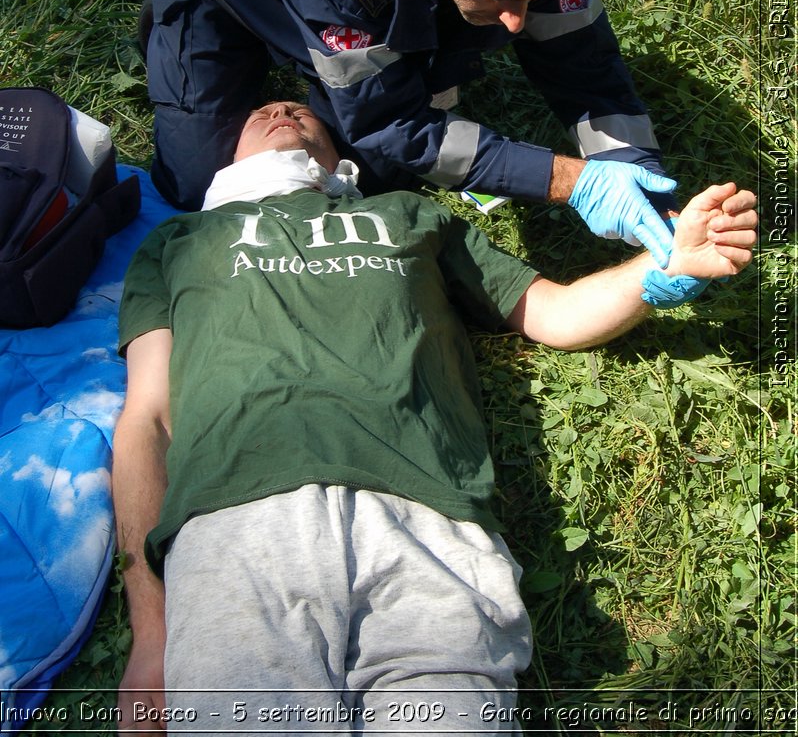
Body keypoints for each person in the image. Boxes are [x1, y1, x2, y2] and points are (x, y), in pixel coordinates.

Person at [113, 101, 757, 733]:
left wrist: (661, 265)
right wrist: (152, 633)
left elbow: (553, 313)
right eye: (263, 111)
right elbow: (148, 420)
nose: (284, 110)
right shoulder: (177, 241)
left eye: (304, 110)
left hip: (433, 524)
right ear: (228, 156)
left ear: (340, 148)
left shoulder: (412, 215)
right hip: (239, 529)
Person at [144, 0, 679, 266]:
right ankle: (233, 42)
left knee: (381, 172)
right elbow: (391, 125)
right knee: (204, 182)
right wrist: (574, 182)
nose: (516, 24)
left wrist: (645, 182)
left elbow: (587, 65)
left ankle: (366, 54)